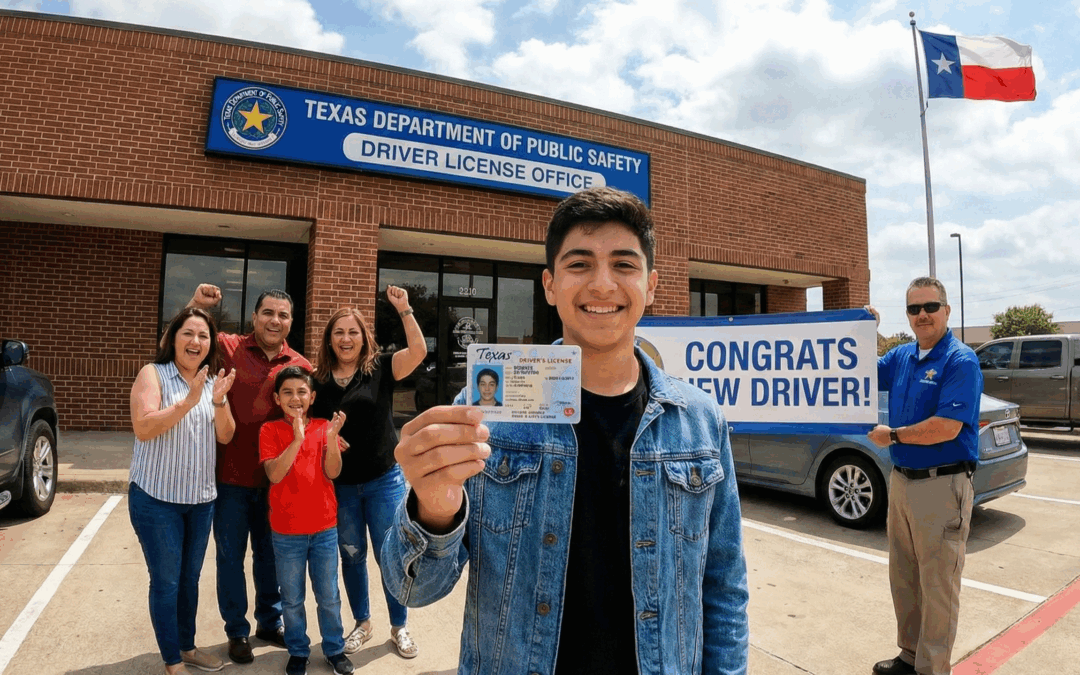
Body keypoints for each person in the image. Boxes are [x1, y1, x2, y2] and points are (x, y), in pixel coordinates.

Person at [382, 186, 750, 674]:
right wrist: (433, 508)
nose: (602, 284)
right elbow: (412, 588)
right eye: (580, 264)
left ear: (651, 285)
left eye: (624, 264)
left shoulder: (700, 420)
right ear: (550, 285)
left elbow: (724, 587)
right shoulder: (483, 414)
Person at [187, 285, 311, 664]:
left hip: (276, 481)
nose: (275, 320)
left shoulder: (300, 365)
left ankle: (269, 622)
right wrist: (197, 305)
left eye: (283, 315)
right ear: (254, 317)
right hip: (230, 478)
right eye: (268, 313)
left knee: (270, 557)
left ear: (291, 321)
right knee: (230, 557)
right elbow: (185, 338)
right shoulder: (229, 347)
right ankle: (237, 630)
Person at [867, 277, 982, 675]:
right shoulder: (901, 356)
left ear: (946, 310)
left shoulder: (960, 360)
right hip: (902, 481)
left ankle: (932, 669)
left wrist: (894, 435)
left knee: (938, 585)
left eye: (930, 307)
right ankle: (910, 656)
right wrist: (862, 331)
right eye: (914, 309)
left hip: (942, 485)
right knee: (904, 576)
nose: (922, 315)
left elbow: (947, 427)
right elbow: (861, 371)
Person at [310, 288, 427, 659]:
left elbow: (419, 352)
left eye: (353, 332)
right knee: (352, 555)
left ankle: (399, 626)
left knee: (390, 555)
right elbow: (308, 424)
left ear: (364, 338)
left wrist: (404, 309)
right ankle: (362, 623)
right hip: (341, 486)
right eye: (339, 332)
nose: (346, 339)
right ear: (330, 339)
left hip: (383, 481)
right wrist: (326, 438)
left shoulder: (381, 368)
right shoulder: (318, 380)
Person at [128, 307, 236, 675]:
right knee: (166, 582)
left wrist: (217, 400)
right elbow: (143, 427)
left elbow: (226, 435)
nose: (195, 341)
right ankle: (172, 662)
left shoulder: (211, 382)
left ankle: (187, 647)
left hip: (200, 501)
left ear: (211, 344)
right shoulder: (153, 374)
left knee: (190, 580)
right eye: (188, 333)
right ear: (173, 338)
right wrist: (187, 401)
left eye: (203, 335)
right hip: (156, 499)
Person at [260, 366, 353, 675]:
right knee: (292, 598)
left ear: (312, 397)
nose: (295, 398)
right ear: (277, 398)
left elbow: (333, 472)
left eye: (301, 392)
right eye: (287, 392)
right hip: (287, 531)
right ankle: (298, 650)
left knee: (329, 595)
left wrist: (332, 438)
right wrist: (297, 439)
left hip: (324, 527)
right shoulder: (270, 430)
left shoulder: (324, 427)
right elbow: (274, 474)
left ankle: (334, 648)